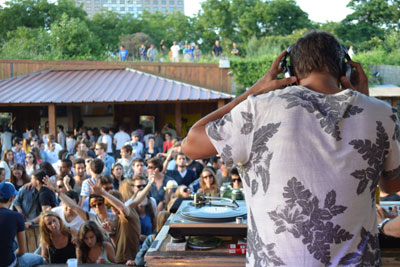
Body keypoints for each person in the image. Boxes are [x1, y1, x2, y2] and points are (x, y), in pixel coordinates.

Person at [182, 31, 399, 266]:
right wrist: (363, 102)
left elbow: (191, 145)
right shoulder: (381, 113)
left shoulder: (259, 109)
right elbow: (390, 185)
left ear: (289, 73)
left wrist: (254, 91)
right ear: (346, 71)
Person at [0, 182, 45, 267]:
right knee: (40, 259)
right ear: (12, 198)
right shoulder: (17, 216)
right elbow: (22, 251)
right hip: (8, 263)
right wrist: (13, 254)